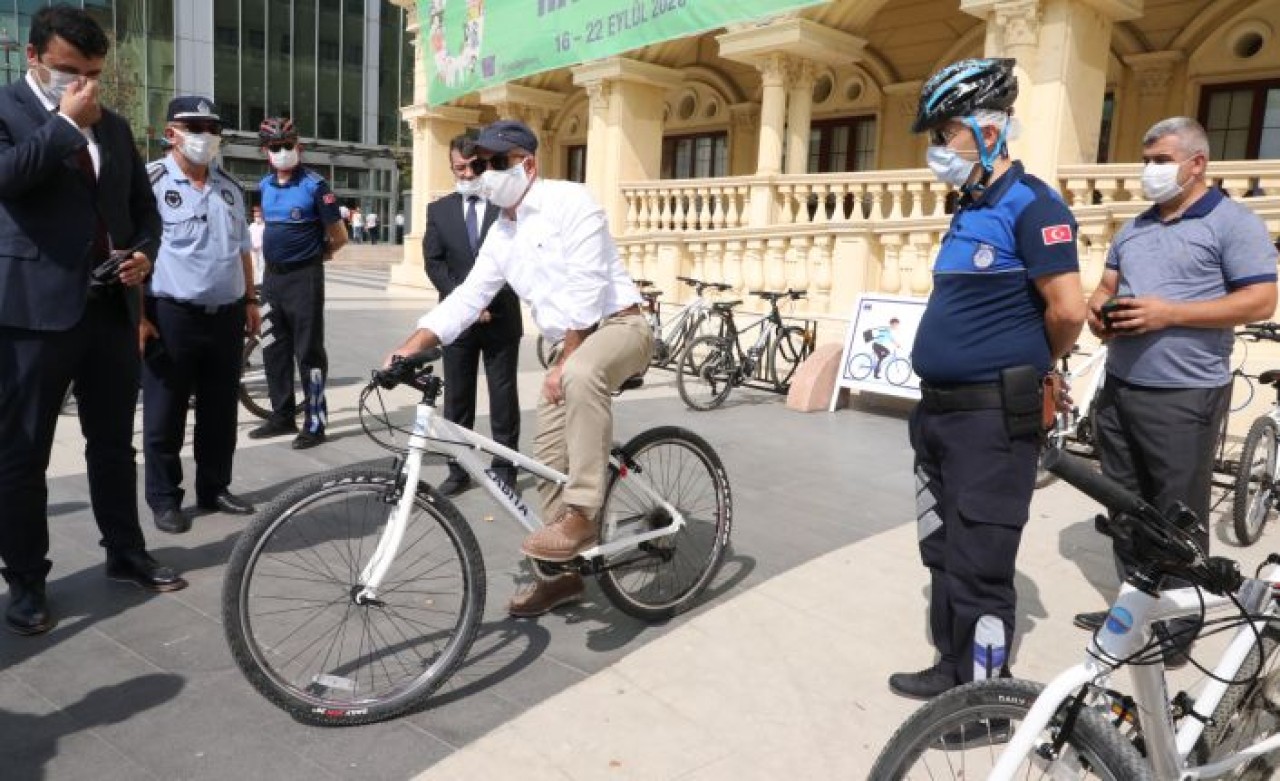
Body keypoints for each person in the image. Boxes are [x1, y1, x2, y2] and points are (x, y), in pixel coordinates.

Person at [389, 119, 652, 618]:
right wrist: (411, 345)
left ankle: (582, 514)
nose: (483, 174)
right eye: (478, 165)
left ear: (527, 164)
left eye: (493, 164)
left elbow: (588, 289)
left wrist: (570, 358)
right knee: (546, 458)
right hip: (567, 346)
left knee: (576, 376)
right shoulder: (503, 232)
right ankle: (562, 578)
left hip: (619, 327)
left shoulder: (570, 201)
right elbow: (468, 297)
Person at [887, 58, 1085, 700]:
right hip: (938, 414)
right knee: (942, 550)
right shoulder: (968, 208)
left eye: (945, 132)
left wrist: (1037, 367)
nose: (936, 147)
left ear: (990, 128)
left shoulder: (1033, 205)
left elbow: (1068, 309)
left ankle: (983, 696)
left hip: (992, 418)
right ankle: (951, 669)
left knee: (981, 562)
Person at [0, 5, 189, 636]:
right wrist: (61, 125)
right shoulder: (9, 111)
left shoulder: (113, 128)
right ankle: (27, 579)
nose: (82, 84)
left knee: (112, 443)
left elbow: (144, 211)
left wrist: (141, 254)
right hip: (31, 313)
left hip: (109, 310)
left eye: (93, 73)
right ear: (32, 58)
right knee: (22, 453)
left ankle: (125, 551)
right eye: (66, 70)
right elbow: (8, 179)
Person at [1071, 117, 1278, 660]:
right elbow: (1107, 286)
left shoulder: (1232, 224)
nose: (1150, 170)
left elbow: (1260, 300)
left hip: (1183, 393)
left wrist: (1169, 314)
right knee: (1123, 505)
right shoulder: (1135, 227)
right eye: (1147, 159)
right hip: (1119, 386)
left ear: (1196, 163)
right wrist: (1099, 313)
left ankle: (1179, 628)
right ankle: (1132, 608)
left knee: (1176, 513)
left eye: (1161, 159)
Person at [141, 96, 260, 534]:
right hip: (171, 314)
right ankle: (164, 497)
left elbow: (243, 250)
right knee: (165, 411)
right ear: (171, 132)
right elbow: (133, 251)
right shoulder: (151, 181)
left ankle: (214, 487)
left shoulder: (230, 187)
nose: (205, 136)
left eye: (212, 128)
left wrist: (250, 300)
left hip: (226, 315)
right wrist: (139, 317)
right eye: (195, 127)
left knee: (220, 410)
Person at [425, 132, 522, 497]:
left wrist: (488, 303)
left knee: (503, 396)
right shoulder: (439, 210)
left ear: (484, 165)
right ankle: (458, 467)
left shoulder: (507, 207)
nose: (465, 174)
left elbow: (519, 262)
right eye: (458, 168)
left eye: (472, 167)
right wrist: (467, 302)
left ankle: (505, 467)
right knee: (458, 398)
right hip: (458, 321)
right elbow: (433, 262)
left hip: (501, 319)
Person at [247, 117, 347, 449]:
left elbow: (340, 235)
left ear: (299, 147)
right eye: (276, 147)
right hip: (272, 278)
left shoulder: (315, 185)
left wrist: (321, 254)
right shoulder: (264, 185)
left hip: (305, 277)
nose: (283, 151)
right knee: (274, 349)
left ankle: (315, 422)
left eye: (289, 145)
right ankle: (281, 415)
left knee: (309, 352)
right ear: (266, 151)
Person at [248, 204, 265, 285]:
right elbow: (248, 236)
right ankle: (255, 283)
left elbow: (265, 238)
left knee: (262, 265)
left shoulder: (265, 226)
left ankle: (261, 282)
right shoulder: (251, 226)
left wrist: (260, 246)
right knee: (254, 266)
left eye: (258, 214)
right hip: (252, 249)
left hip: (261, 249)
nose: (257, 216)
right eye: (255, 214)